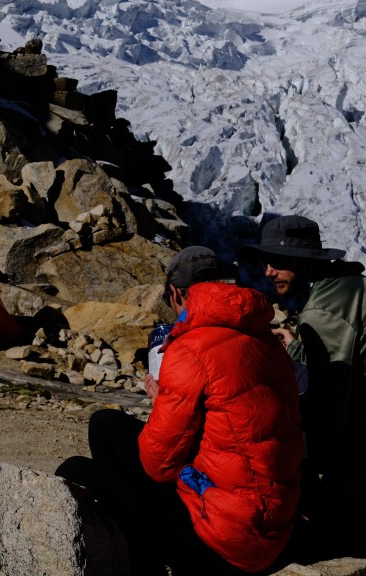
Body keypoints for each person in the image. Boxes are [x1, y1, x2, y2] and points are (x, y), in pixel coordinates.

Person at [57, 245, 304, 575]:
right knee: (105, 424)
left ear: (175, 293)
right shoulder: (266, 338)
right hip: (272, 522)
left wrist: (163, 402)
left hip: (227, 540)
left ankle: (143, 562)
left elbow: (158, 466)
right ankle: (140, 550)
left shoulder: (190, 346)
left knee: (75, 470)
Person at [240, 214, 366, 478]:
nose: (268, 271)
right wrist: (295, 347)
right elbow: (341, 363)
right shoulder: (344, 285)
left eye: (278, 261)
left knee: (253, 440)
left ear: (304, 260)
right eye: (267, 262)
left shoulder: (323, 310)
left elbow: (327, 413)